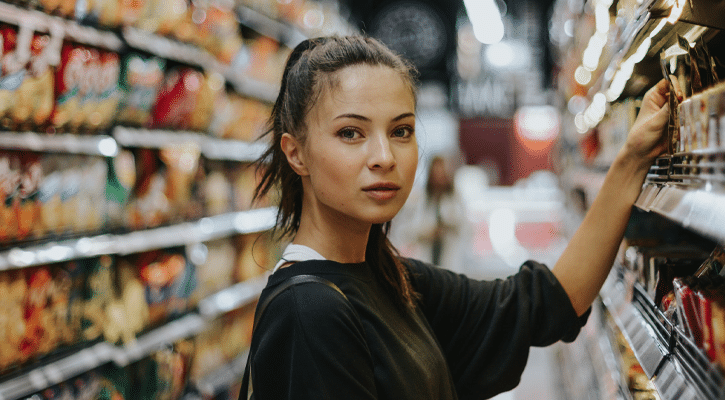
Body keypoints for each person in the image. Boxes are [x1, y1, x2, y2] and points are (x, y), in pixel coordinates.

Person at [243, 35, 670, 400]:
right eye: (350, 133)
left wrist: (632, 158)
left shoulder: (393, 280)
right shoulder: (309, 312)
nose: (384, 157)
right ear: (295, 153)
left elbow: (547, 302)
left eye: (401, 131)